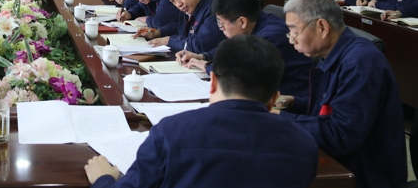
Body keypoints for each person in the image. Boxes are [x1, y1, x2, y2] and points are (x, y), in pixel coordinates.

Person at [85, 35, 318, 188]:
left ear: (212, 82)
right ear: (275, 99)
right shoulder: (304, 144)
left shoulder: (171, 132)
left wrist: (103, 178)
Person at [278, 0, 406, 188]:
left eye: (294, 31)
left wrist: (278, 118)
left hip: (365, 175)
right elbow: (331, 106)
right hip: (346, 161)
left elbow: (341, 135)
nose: (291, 39)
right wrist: (295, 103)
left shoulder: (360, 62)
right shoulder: (336, 54)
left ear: (322, 27)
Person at [178, 0, 313, 97]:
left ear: (242, 22)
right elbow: (232, 50)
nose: (221, 29)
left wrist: (206, 65)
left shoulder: (270, 38)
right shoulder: (257, 20)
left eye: (221, 24)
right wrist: (203, 56)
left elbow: (237, 74)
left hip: (290, 101)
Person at [136, 0, 224, 53]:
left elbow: (201, 45)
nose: (178, 4)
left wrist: (169, 41)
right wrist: (158, 32)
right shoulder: (189, 4)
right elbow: (181, 27)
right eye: (172, 1)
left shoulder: (216, 5)